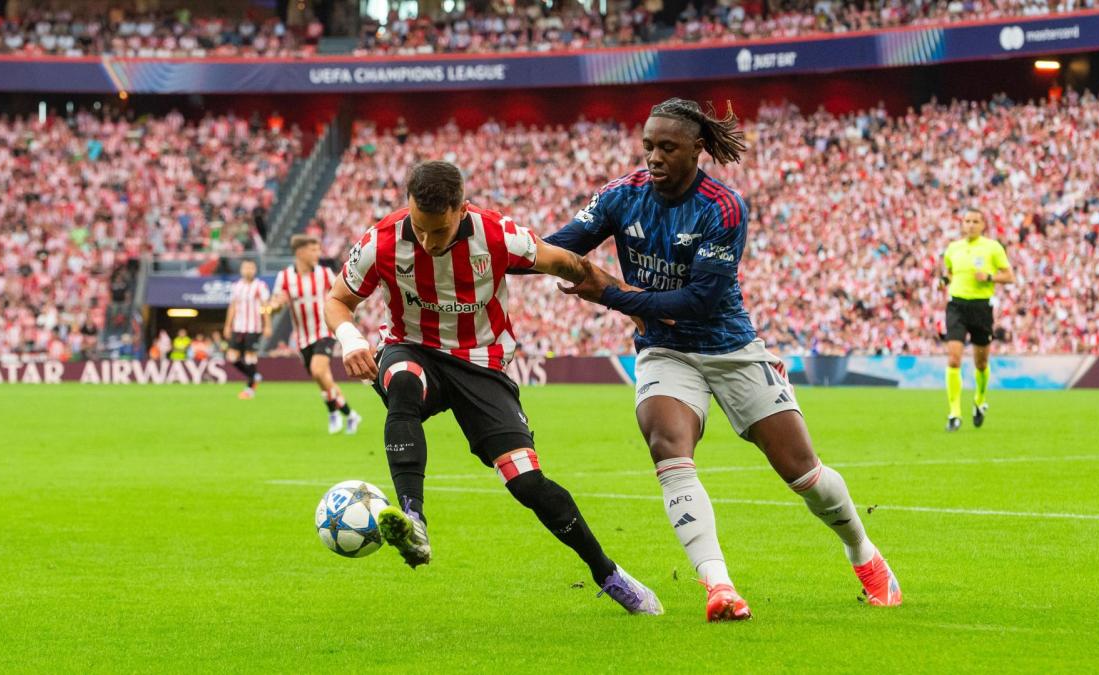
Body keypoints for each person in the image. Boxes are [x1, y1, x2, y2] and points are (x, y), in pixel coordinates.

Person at [548, 98, 903, 621]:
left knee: (803, 473)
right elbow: (555, 247)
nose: (654, 157)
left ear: (698, 149)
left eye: (667, 147)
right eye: (648, 145)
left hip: (729, 347)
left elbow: (699, 302)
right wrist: (493, 246)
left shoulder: (723, 206)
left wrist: (611, 293)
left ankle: (864, 554)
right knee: (667, 445)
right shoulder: (622, 196)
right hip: (666, 353)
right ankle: (719, 587)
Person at [323, 160, 662, 615]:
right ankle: (413, 518)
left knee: (529, 484)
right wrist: (351, 339)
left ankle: (609, 574)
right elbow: (338, 300)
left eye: (438, 232)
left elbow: (570, 264)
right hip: (411, 349)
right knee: (402, 380)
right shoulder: (380, 242)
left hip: (481, 365)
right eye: (419, 229)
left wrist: (630, 304)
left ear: (462, 210)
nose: (427, 241)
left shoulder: (498, 235)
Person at [268, 234, 362, 435]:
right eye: (313, 250)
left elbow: (340, 296)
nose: (318, 254)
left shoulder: (325, 274)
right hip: (302, 337)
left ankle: (332, 412)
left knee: (319, 371)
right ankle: (350, 414)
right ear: (300, 252)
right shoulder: (284, 277)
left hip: (324, 330)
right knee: (323, 378)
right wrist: (274, 306)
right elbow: (278, 301)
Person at [940, 208, 1015, 431]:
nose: (971, 225)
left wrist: (990, 277)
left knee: (980, 362)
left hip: (981, 307)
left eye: (975, 221)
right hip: (956, 306)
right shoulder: (953, 248)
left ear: (983, 225)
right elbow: (950, 273)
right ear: (962, 224)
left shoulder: (992, 248)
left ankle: (980, 400)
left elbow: (1009, 276)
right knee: (954, 358)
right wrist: (944, 281)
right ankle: (954, 413)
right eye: (967, 221)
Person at [223, 259, 271, 399]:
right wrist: (227, 325)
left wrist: (267, 325)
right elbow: (232, 307)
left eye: (251, 268)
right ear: (241, 270)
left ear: (255, 270)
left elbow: (265, 306)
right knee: (231, 357)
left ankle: (249, 388)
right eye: (246, 268)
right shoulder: (236, 286)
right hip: (238, 327)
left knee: (250, 356)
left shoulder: (260, 286)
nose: (248, 270)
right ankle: (254, 376)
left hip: (253, 327)